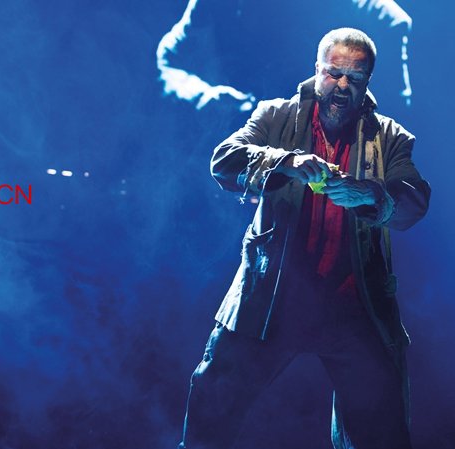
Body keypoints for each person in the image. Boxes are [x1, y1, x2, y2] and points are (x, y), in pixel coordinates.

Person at [178, 27, 431, 449]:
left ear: (368, 81)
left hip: (353, 306)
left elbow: (415, 200)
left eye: (355, 77)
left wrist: (373, 195)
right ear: (317, 70)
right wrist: (284, 162)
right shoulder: (274, 116)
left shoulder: (390, 137)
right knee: (212, 410)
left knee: (382, 432)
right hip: (271, 300)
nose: (342, 86)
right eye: (334, 73)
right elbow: (223, 161)